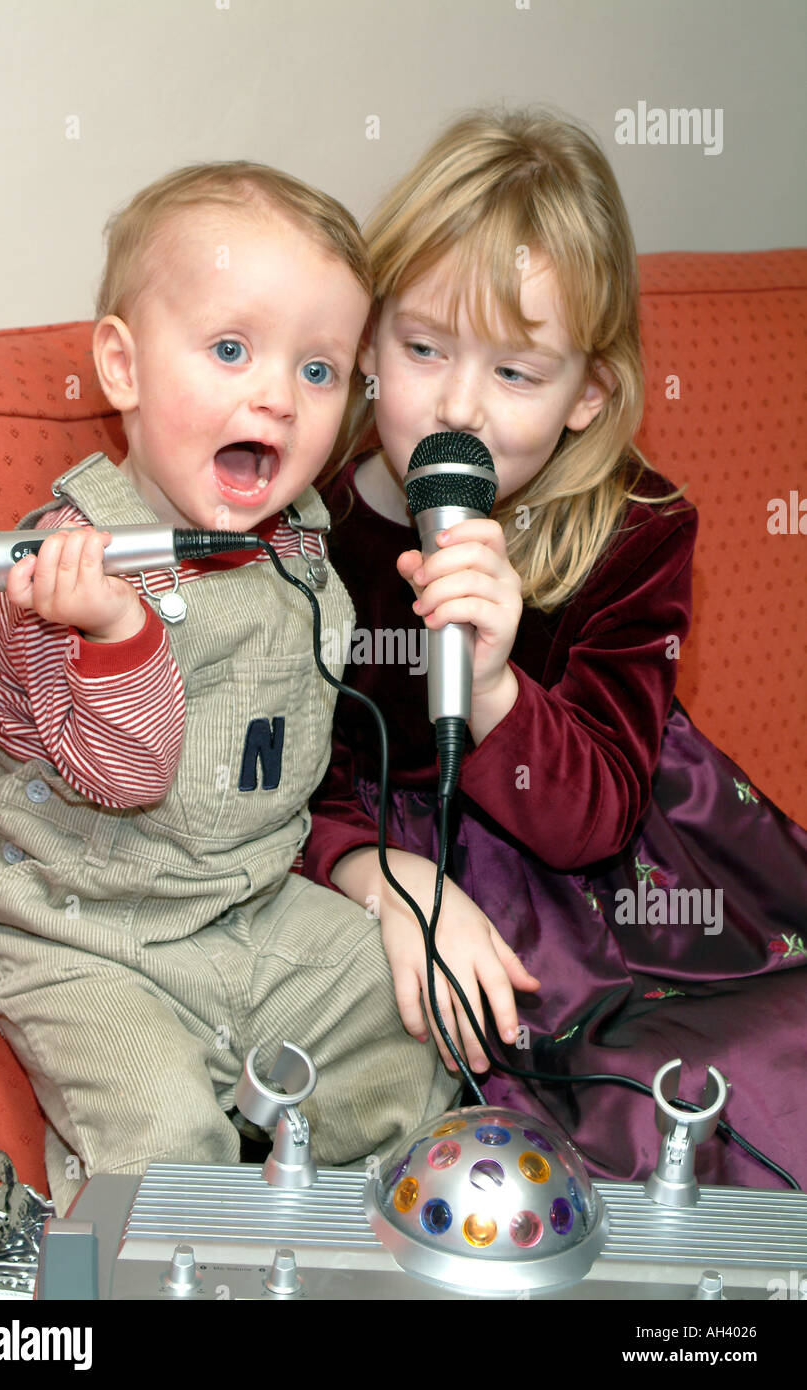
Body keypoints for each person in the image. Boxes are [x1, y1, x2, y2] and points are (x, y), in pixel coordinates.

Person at [304, 109, 807, 1191]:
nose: (456, 406)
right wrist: (375, 868)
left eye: (516, 374)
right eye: (422, 347)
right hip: (405, 870)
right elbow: (270, 779)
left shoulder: (635, 532)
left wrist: (488, 683)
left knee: (738, 1075)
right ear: (365, 342)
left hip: (617, 880)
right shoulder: (308, 521)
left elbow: (591, 816)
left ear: (588, 393)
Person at [0, 162, 458, 1217]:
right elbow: (124, 773)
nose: (275, 395)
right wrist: (117, 632)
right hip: (89, 935)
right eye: (230, 350)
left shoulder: (300, 546)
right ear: (122, 368)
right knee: (161, 1147)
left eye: (318, 371)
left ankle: (368, 1254)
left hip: (252, 906)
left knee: (405, 1035)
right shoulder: (62, 572)